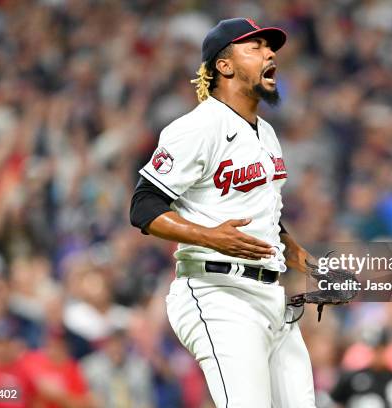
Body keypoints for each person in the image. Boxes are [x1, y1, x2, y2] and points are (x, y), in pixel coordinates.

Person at [130, 17, 316, 408]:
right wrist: (208, 235)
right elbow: (144, 204)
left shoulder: (265, 132)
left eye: (270, 48)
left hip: (272, 297)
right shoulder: (198, 127)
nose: (269, 54)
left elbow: (266, 214)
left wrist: (306, 262)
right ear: (224, 66)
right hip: (218, 293)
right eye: (255, 47)